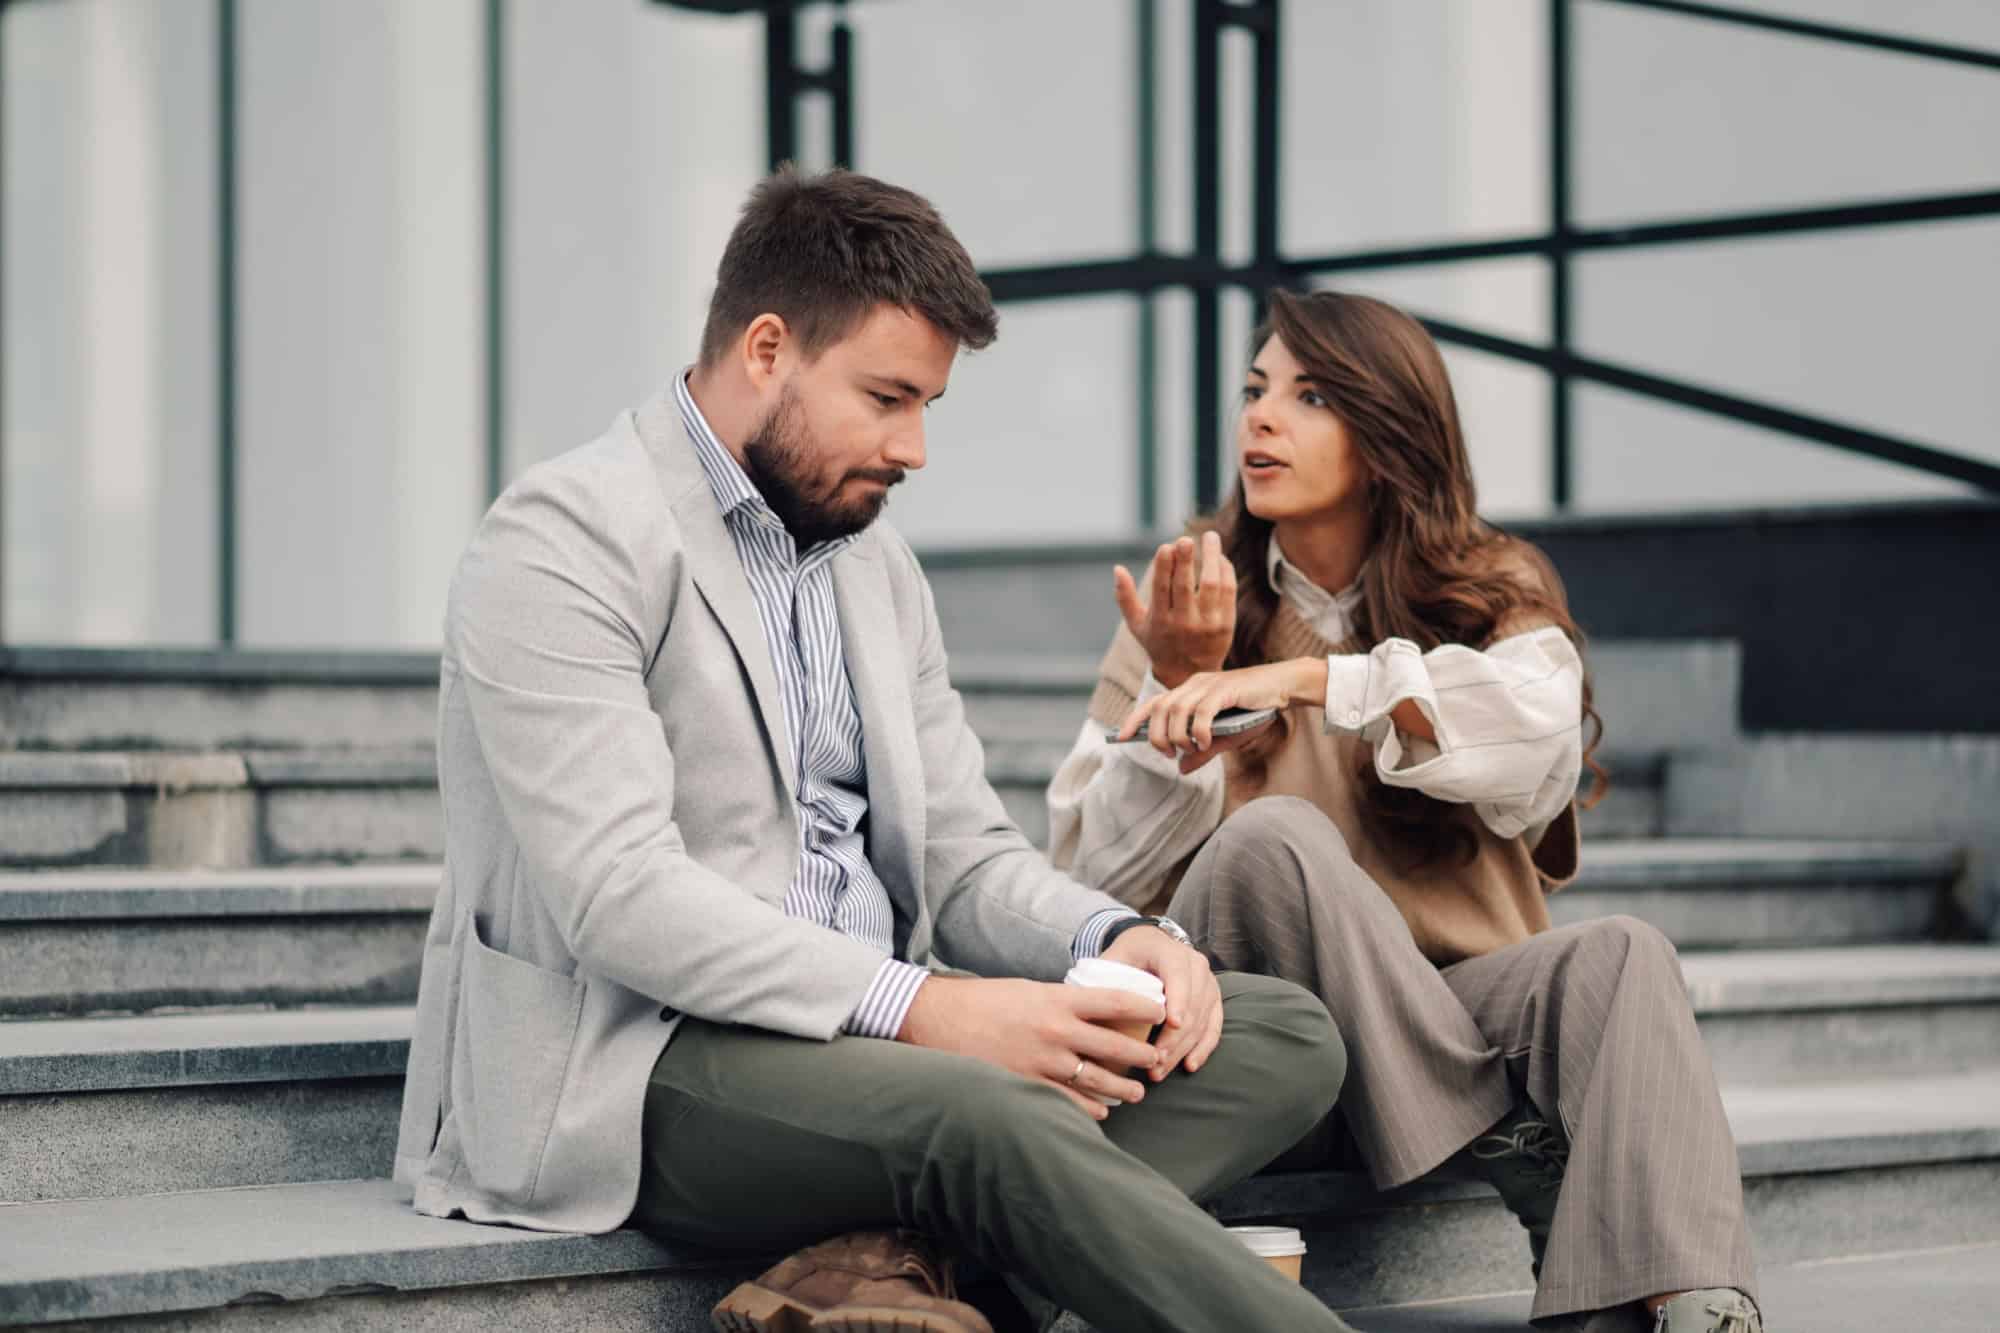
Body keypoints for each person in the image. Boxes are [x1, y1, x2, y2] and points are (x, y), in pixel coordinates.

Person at [393, 167, 1357, 1333]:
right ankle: (945, 1239)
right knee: (987, 1113)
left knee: (1278, 1035)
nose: (913, 449)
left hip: (871, 1053)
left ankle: (880, 1267)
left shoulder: (872, 564)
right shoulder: (563, 537)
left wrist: (1121, 938)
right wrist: (934, 1015)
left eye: (927, 408)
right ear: (765, 350)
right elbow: (620, 900)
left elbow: (962, 856)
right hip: (644, 1058)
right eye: (886, 397)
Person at [1048, 288, 1764, 1333]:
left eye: (1307, 396)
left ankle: (1678, 1305)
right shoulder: (1189, 597)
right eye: (1254, 391)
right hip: (1269, 1047)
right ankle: (1504, 1139)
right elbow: (1082, 873)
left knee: (1621, 955)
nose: (1258, 417)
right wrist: (1179, 685)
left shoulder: (1483, 586)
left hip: (1456, 1011)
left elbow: (1530, 738)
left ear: (1386, 435)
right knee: (1274, 840)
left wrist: (1308, 685)